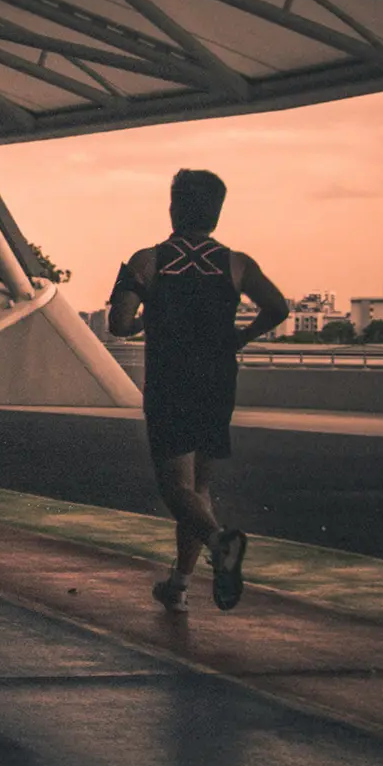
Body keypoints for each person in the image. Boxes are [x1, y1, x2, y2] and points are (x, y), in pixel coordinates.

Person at [108, 169, 288, 613]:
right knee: (200, 486)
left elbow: (119, 324)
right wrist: (241, 338)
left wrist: (150, 316)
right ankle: (180, 585)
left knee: (175, 489)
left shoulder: (148, 261)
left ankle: (219, 542)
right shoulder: (237, 263)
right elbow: (278, 307)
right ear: (217, 212)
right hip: (217, 379)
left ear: (173, 207)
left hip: (171, 381)